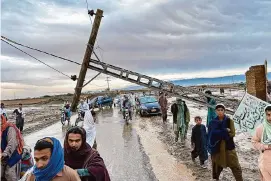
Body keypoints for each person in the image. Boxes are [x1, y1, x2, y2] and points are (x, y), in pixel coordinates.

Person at [208, 104, 243, 181]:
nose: (220, 112)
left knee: (235, 166)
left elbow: (232, 133)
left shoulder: (229, 121)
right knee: (217, 166)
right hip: (217, 148)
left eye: (221, 110)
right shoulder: (212, 122)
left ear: (224, 111)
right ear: (215, 111)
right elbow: (211, 134)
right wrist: (224, 131)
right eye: (218, 110)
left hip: (228, 147)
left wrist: (219, 134)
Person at [1, 114, 24, 181]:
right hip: (4, 156)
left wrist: (4, 154)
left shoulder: (10, 129)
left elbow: (12, 144)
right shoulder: (1, 130)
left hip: (14, 155)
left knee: (9, 174)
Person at [251, 105, 271, 181]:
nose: (270, 118)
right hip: (266, 161)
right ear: (265, 115)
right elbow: (254, 142)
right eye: (268, 115)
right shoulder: (261, 128)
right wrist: (266, 146)